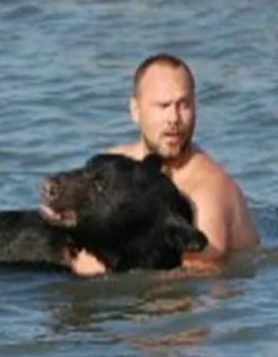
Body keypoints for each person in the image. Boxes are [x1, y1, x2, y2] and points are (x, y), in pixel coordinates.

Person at [71, 53, 259, 276]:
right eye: (163, 106)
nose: (174, 119)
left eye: (184, 105)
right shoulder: (113, 167)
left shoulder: (206, 191)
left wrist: (109, 270)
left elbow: (203, 276)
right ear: (135, 110)